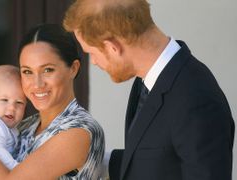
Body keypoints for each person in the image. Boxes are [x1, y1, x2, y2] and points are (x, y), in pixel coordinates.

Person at [63, 0, 235, 180]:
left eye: (91, 52)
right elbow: (158, 160)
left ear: (112, 47)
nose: (94, 62)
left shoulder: (197, 100)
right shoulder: (147, 80)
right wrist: (89, 158)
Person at [0, 24, 105, 179]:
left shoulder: (79, 131)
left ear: (73, 68)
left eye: (47, 70)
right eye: (27, 71)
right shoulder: (24, 126)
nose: (37, 84)